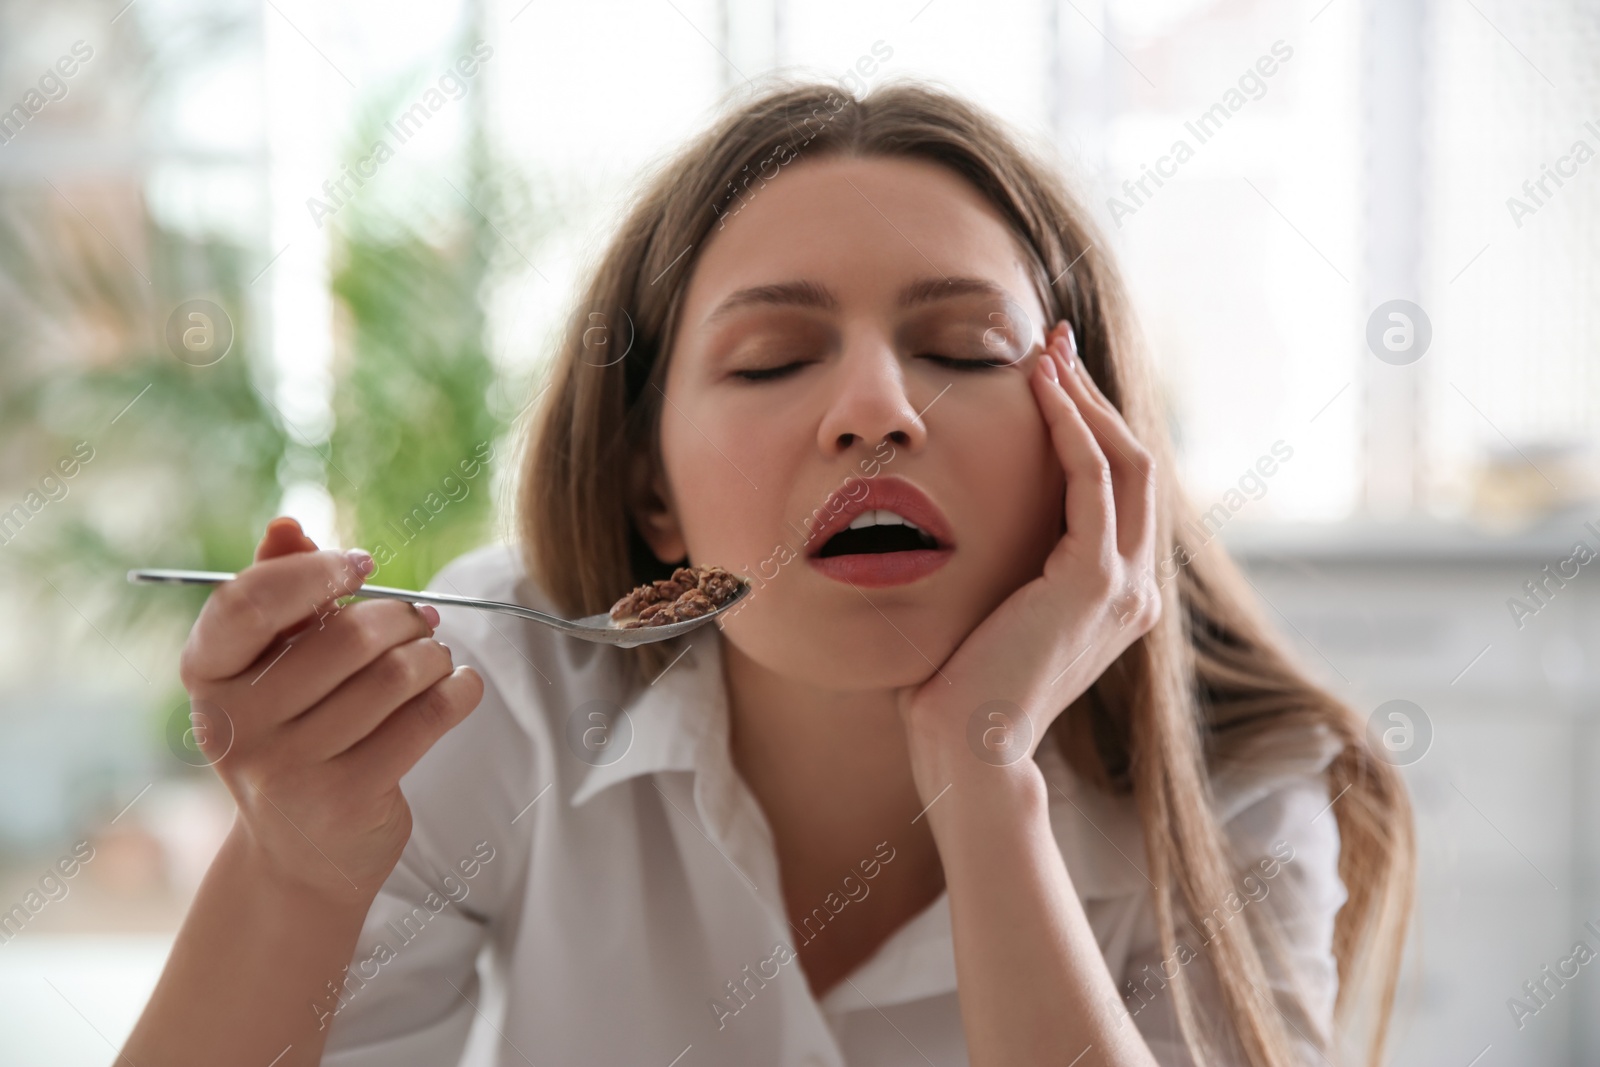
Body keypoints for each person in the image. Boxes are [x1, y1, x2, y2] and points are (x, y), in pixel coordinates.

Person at [121, 77, 1414, 1066]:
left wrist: (986, 771)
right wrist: (295, 866)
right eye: (770, 360)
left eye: (963, 348)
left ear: (1095, 457)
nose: (873, 409)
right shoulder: (500, 689)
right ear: (653, 495)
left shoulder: (1240, 790)